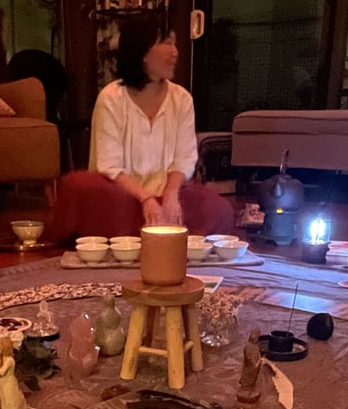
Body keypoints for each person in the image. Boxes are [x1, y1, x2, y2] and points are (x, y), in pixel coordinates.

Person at [49, 16, 235, 244]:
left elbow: (184, 158)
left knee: (219, 209)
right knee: (77, 186)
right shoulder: (111, 97)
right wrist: (145, 199)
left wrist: (170, 195)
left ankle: (134, 234)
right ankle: (151, 232)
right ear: (143, 53)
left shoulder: (182, 99)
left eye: (174, 43)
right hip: (122, 193)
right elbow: (109, 165)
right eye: (166, 43)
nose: (175, 52)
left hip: (168, 193)